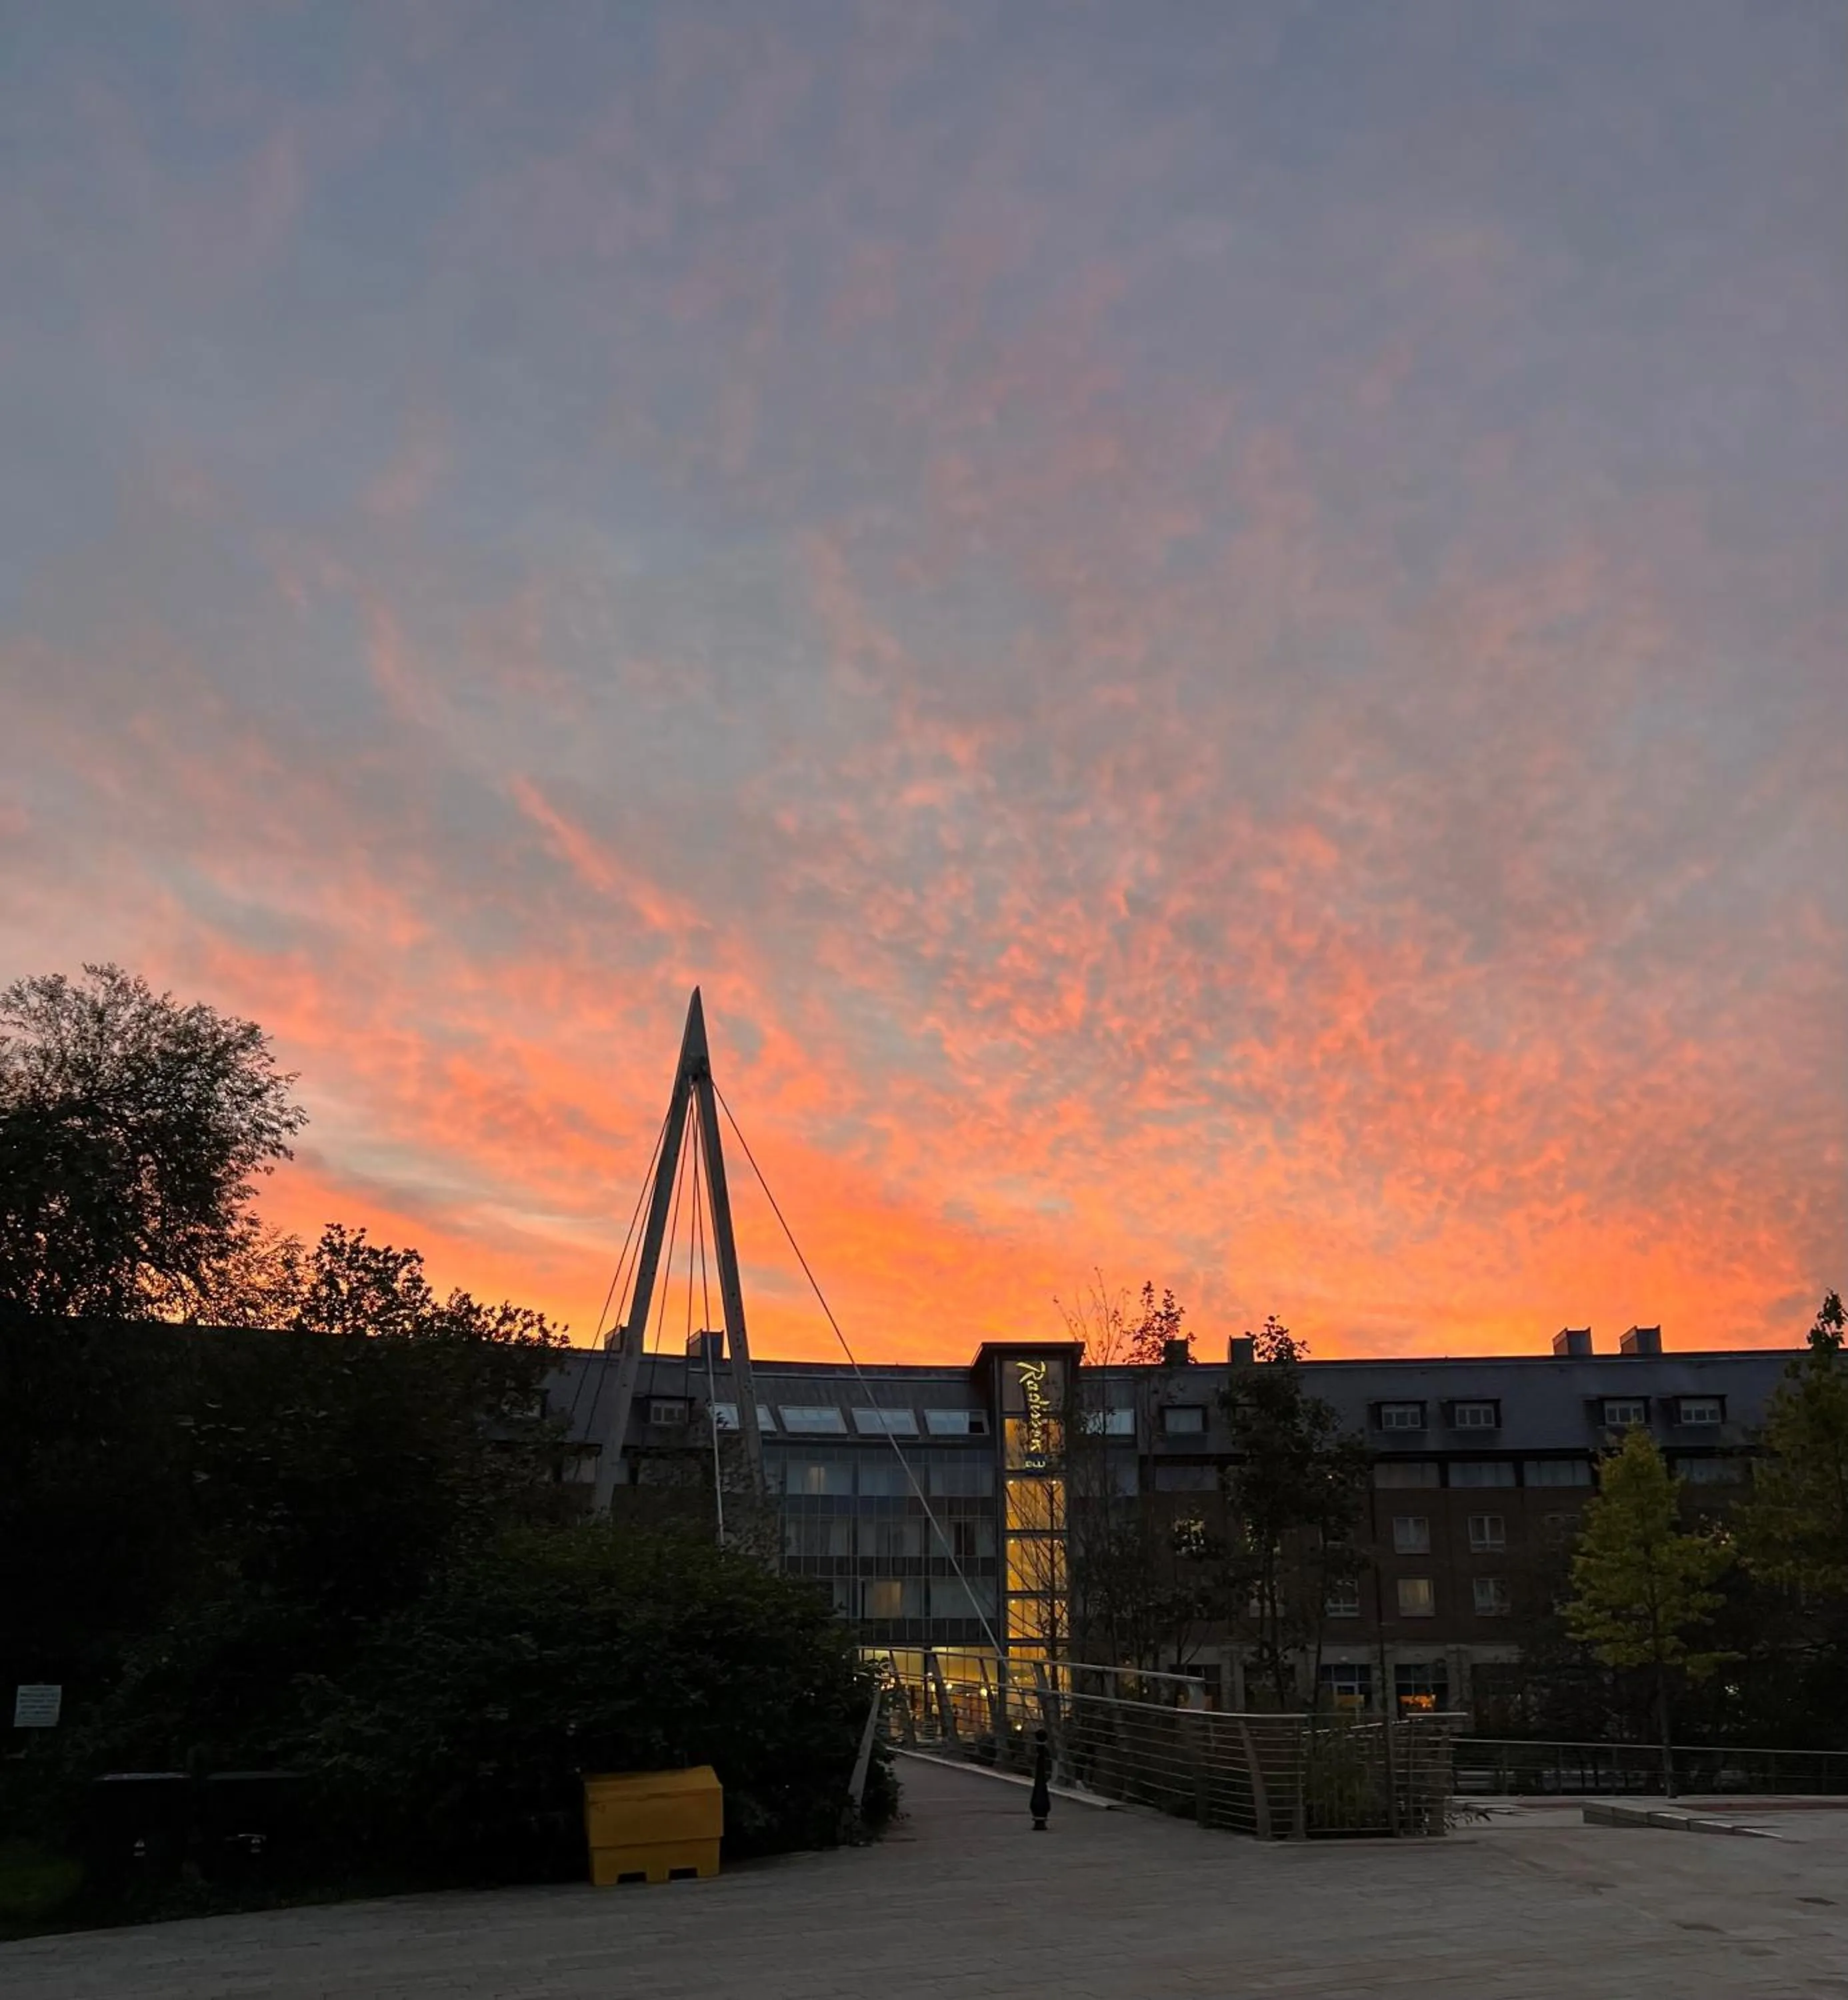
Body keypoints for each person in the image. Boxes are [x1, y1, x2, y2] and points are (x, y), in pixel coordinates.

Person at [1029, 1728, 1051, 1831]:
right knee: (1041, 1786)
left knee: (1039, 1786)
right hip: (1042, 1773)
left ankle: (1039, 1816)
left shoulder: (1038, 1752)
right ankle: (1041, 1816)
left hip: (1040, 1773)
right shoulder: (1045, 1752)